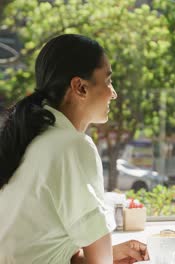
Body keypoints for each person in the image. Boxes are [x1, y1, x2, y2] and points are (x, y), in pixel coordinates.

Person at [0, 34, 149, 263]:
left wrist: (109, 254)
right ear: (80, 87)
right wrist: (105, 256)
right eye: (108, 81)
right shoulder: (72, 146)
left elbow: (37, 248)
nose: (114, 93)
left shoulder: (30, 139)